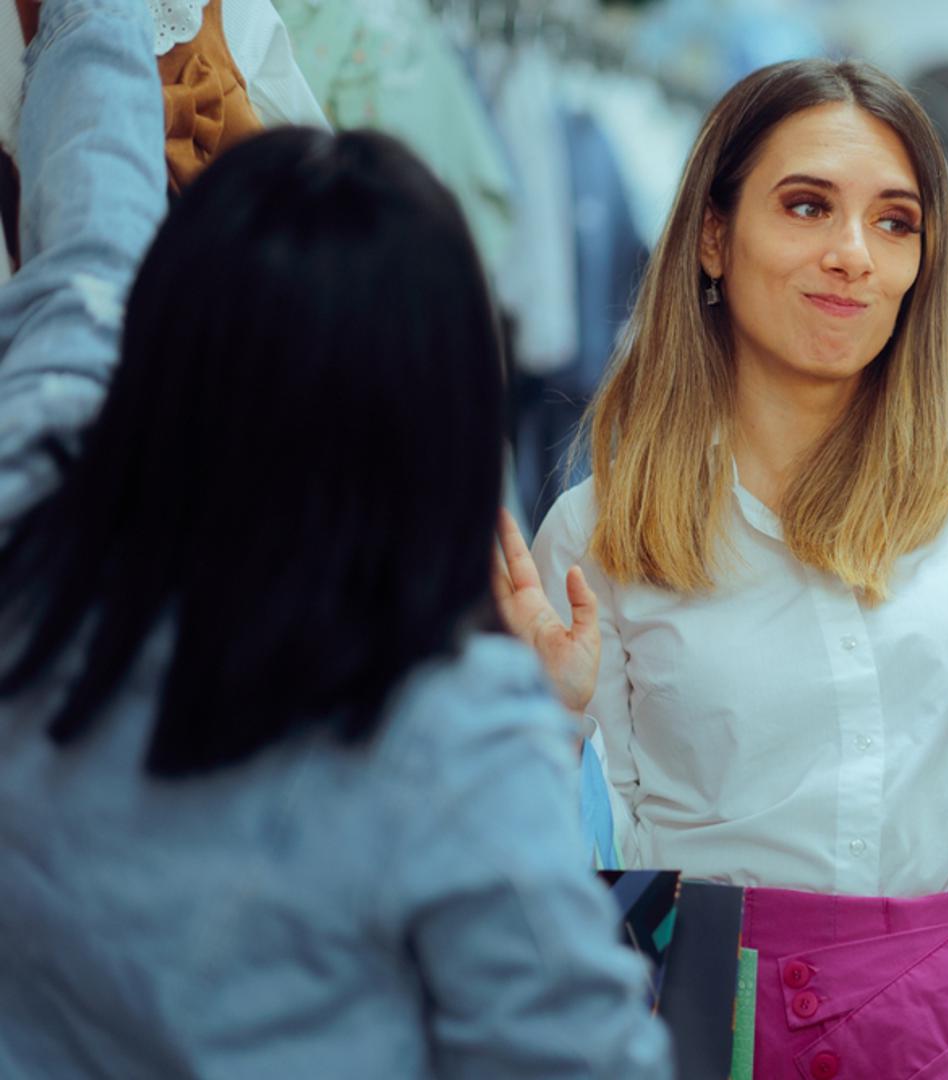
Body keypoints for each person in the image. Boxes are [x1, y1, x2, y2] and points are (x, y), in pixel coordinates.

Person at [496, 58, 948, 1077]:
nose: (853, 256)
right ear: (714, 236)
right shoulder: (603, 530)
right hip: (712, 1023)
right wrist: (544, 722)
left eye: (894, 222)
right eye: (806, 206)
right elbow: (525, 869)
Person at [0, 2, 668, 1077]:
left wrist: (95, 17)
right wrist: (542, 736)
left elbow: (86, 234)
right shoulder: (438, 728)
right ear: (444, 411)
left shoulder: (30, 499)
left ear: (168, 332)